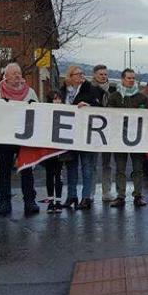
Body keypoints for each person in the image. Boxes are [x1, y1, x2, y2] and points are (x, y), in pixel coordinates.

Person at [0, 63, 41, 215]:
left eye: (19, 73)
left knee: (27, 170)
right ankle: (4, 202)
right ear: (6, 76)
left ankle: (30, 201)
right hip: (5, 138)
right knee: (4, 171)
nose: (18, 76)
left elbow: (38, 112)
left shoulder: (30, 92)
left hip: (24, 139)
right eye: (14, 73)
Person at [106, 69, 148, 208]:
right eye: (129, 78)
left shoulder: (142, 97)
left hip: (137, 138)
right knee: (120, 168)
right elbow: (109, 114)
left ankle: (138, 195)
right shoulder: (114, 96)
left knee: (138, 168)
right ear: (122, 79)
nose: (131, 80)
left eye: (133, 78)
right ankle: (121, 196)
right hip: (119, 138)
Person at [60, 65, 102, 210]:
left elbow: (100, 108)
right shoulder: (63, 91)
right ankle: (71, 195)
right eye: (78, 74)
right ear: (70, 76)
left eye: (82, 73)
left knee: (86, 166)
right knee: (71, 166)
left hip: (85, 133)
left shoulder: (90, 89)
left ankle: (86, 197)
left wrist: (88, 106)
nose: (81, 76)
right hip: (69, 133)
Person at [90, 65, 114, 202]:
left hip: (108, 131)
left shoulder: (113, 90)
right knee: (92, 164)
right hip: (93, 131)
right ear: (95, 75)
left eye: (105, 74)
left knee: (107, 164)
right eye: (101, 74)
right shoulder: (89, 89)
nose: (103, 76)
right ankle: (91, 192)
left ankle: (107, 191)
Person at [42, 90, 66, 213]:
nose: (57, 101)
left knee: (58, 175)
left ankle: (58, 201)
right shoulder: (44, 112)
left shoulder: (66, 111)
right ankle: (51, 201)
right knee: (49, 174)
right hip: (48, 148)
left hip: (60, 149)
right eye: (55, 99)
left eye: (59, 98)